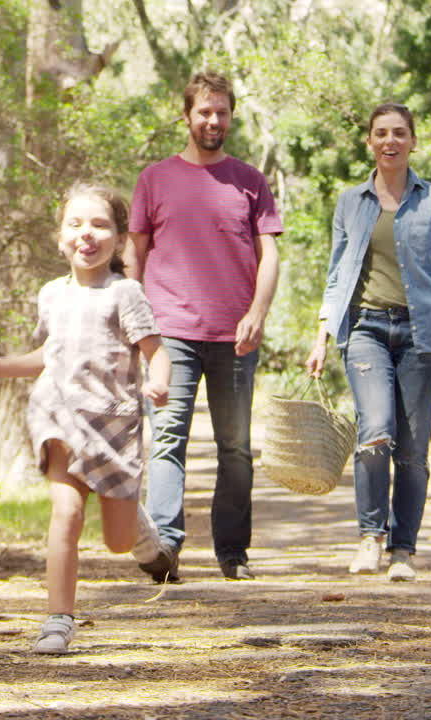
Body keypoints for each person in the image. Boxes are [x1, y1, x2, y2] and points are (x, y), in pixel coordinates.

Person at [0, 182, 172, 654]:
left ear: (119, 239)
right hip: (58, 417)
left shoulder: (126, 294)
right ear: (60, 238)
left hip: (114, 426)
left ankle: (139, 529)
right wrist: (3, 365)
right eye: (75, 224)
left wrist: (158, 382)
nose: (87, 234)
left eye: (100, 224)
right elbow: (49, 355)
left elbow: (156, 352)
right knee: (67, 513)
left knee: (118, 543)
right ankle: (58, 619)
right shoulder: (51, 295)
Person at [125, 70, 283, 582]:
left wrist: (257, 313)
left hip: (235, 335)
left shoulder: (250, 181)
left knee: (234, 445)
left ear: (230, 116)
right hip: (170, 332)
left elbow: (270, 255)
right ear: (187, 116)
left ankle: (232, 552)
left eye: (222, 112)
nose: (213, 120)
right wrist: (135, 325)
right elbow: (135, 254)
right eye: (204, 112)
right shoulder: (155, 179)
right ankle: (165, 546)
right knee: (167, 437)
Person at [305, 102, 431, 582]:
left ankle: (404, 550)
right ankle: (370, 538)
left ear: (413, 141)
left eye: (400, 133)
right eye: (381, 133)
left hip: (424, 334)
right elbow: (338, 276)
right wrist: (321, 337)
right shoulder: (350, 202)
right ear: (369, 142)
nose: (390, 141)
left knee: (414, 448)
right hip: (366, 330)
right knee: (374, 431)